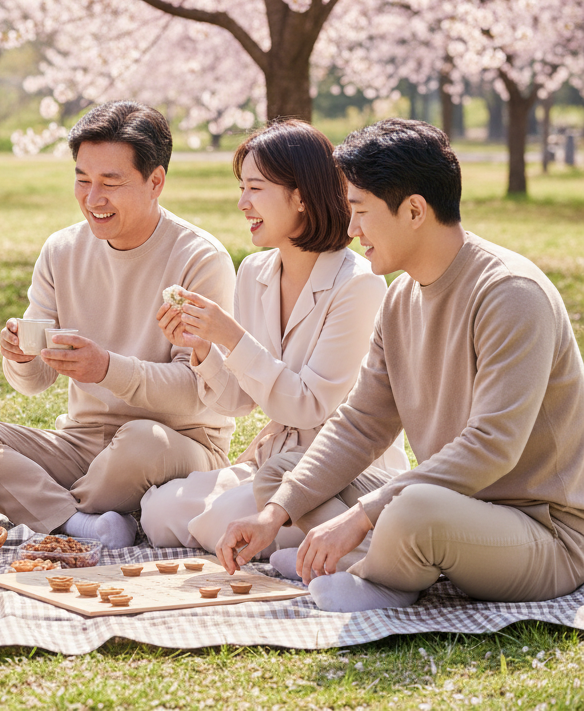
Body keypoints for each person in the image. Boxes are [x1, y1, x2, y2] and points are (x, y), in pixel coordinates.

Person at [217, 119, 584, 612]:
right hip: (452, 508)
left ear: (414, 210)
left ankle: (382, 575)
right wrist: (275, 513)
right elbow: (362, 422)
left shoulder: (510, 294)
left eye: (361, 212)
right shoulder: (401, 299)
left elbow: (492, 445)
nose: (351, 230)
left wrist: (363, 516)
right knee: (284, 472)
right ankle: (386, 562)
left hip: (542, 532)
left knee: (411, 510)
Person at [0, 101, 237, 548]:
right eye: (82, 179)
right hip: (82, 445)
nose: (93, 199)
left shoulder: (200, 259)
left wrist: (107, 368)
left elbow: (198, 393)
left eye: (111, 182)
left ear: (156, 182)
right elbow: (34, 382)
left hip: (176, 443)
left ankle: (56, 514)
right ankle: (85, 522)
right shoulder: (61, 250)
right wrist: (21, 355)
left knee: (141, 441)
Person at [140, 121, 408, 558]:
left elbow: (307, 406)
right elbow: (238, 401)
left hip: (337, 473)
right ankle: (286, 550)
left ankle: (319, 548)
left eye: (255, 188)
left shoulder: (358, 285)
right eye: (241, 187)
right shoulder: (254, 272)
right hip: (272, 462)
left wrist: (232, 335)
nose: (242, 202)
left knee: (216, 518)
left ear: (300, 195)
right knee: (157, 510)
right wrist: (204, 347)